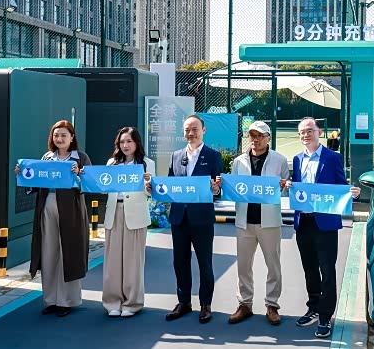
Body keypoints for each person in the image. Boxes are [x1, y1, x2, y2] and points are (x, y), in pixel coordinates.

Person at [286, 117, 360, 338]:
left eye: (310, 130)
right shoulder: (297, 159)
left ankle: (326, 316)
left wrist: (352, 193)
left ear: (319, 132)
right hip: (304, 222)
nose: (306, 135)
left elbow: (341, 186)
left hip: (325, 224)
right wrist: (289, 184)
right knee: (309, 269)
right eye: (302, 132)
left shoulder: (332, 157)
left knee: (327, 271)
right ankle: (314, 307)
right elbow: (298, 187)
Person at [147, 114, 222, 324]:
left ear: (203, 130)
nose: (191, 133)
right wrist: (154, 189)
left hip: (202, 219)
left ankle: (206, 304)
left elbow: (218, 190)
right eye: (187, 129)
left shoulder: (213, 156)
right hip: (179, 218)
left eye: (195, 129)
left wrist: (216, 189)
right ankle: (184, 302)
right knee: (180, 262)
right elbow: (170, 186)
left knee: (205, 263)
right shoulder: (176, 155)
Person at [16, 120, 91, 317]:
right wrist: (24, 175)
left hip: (72, 210)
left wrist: (79, 175)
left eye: (64, 135)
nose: (59, 139)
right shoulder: (47, 157)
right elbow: (36, 183)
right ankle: (50, 299)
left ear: (72, 137)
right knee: (48, 251)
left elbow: (90, 185)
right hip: (47, 205)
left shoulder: (81, 158)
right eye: (56, 135)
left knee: (69, 252)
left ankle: (67, 301)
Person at [227, 121, 290, 326]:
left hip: (269, 222)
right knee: (243, 266)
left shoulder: (279, 160)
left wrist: (285, 186)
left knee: (273, 266)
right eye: (252, 135)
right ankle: (245, 304)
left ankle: (272, 305)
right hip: (244, 221)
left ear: (268, 137)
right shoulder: (239, 162)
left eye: (260, 135)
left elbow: (286, 189)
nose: (255, 139)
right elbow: (233, 189)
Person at [101, 127, 155, 318]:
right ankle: (112, 302)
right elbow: (103, 186)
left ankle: (132, 303)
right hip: (114, 212)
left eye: (129, 141)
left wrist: (149, 184)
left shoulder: (147, 163)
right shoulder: (112, 163)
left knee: (133, 262)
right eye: (122, 142)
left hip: (136, 215)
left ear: (136, 143)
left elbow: (150, 193)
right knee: (112, 261)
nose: (125, 145)